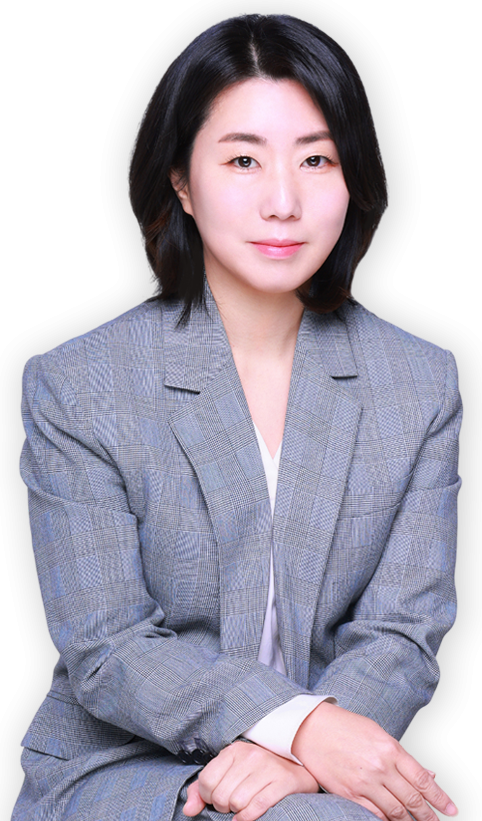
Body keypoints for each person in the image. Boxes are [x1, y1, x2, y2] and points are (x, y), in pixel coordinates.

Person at [12, 12, 462, 821]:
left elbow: (402, 629)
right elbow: (107, 645)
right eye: (244, 159)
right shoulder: (80, 384)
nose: (283, 202)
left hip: (316, 774)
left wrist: (303, 753)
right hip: (120, 764)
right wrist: (299, 726)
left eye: (317, 158)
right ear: (181, 182)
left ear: (354, 177)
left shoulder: (419, 381)